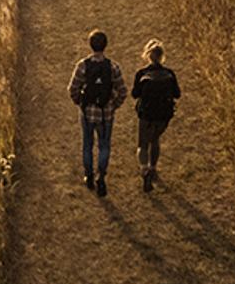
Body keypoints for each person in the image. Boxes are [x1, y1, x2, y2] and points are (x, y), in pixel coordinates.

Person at [68, 30, 122, 197]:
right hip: (106, 114)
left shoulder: (83, 65)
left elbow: (73, 88)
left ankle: (89, 175)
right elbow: (123, 91)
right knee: (104, 146)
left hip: (87, 112)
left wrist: (80, 102)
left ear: (90, 45)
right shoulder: (112, 67)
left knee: (87, 144)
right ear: (105, 45)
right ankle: (101, 178)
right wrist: (113, 105)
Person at [130, 39, 181, 192]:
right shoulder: (169, 73)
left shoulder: (142, 73)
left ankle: (144, 170)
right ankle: (153, 168)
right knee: (155, 140)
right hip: (163, 116)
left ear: (148, 55)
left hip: (146, 114)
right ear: (162, 56)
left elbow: (134, 94)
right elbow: (177, 94)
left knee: (142, 144)